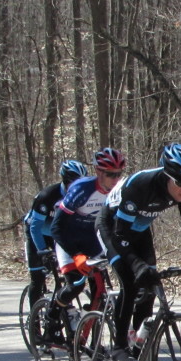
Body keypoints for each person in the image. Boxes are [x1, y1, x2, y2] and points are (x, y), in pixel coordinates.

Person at [96, 142, 181, 361]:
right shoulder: (140, 185)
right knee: (130, 282)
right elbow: (120, 235)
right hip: (112, 228)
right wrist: (137, 265)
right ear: (167, 175)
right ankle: (118, 347)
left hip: (140, 229)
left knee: (150, 290)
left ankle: (138, 355)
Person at [42, 148, 126, 345]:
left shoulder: (119, 191)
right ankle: (51, 318)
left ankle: (81, 338)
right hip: (68, 239)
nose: (115, 179)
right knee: (76, 284)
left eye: (119, 174)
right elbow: (57, 227)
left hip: (92, 242)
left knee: (100, 291)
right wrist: (76, 255)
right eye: (110, 174)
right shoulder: (82, 189)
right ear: (98, 171)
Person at [23, 159, 89, 307]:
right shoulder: (48, 195)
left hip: (58, 235)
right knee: (38, 277)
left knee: (70, 273)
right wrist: (43, 251)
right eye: (76, 182)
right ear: (66, 180)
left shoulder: (82, 196)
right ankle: (35, 323)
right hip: (37, 233)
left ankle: (63, 305)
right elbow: (35, 227)